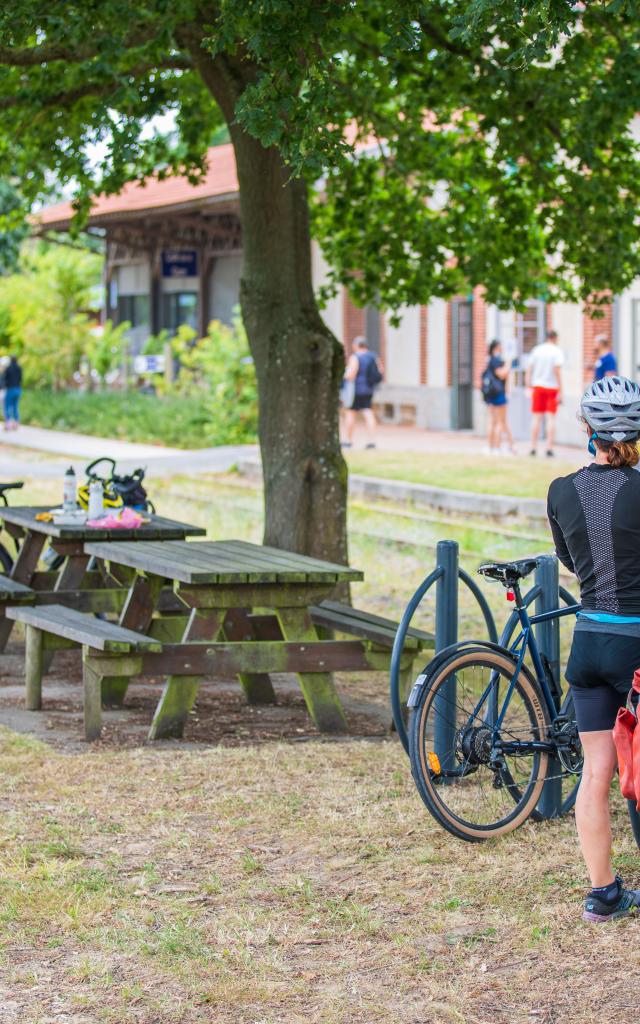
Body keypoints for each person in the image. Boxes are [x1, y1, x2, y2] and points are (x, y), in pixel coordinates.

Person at [547, 375, 640, 922]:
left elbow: (567, 559)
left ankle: (602, 893)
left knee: (596, 772)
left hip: (587, 644)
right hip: (634, 646)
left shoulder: (561, 490)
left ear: (588, 429)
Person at [526, 329, 564, 458]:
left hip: (538, 386)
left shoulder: (537, 350)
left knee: (536, 418)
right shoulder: (557, 351)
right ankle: (549, 447)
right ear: (555, 338)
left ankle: (533, 446)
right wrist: (561, 390)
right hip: (552, 388)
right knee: (550, 418)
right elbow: (557, 371)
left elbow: (529, 369)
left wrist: (528, 386)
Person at [342, 336, 384, 449]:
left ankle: (348, 441)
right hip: (369, 389)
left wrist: (343, 376)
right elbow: (380, 371)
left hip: (355, 391)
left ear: (356, 345)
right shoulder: (374, 357)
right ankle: (372, 441)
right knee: (368, 413)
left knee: (350, 413)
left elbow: (351, 375)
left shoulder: (355, 357)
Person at [482, 340, 516, 455]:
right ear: (496, 347)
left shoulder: (490, 360)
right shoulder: (496, 360)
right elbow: (502, 374)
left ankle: (490, 447)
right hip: (498, 394)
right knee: (500, 422)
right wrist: (508, 364)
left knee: (493, 421)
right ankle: (496, 447)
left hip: (491, 394)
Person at [3, 355, 22, 431]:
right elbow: (20, 379)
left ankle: (8, 424)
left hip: (10, 389)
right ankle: (16, 423)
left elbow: (5, 379)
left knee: (7, 406)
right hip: (18, 389)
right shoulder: (19, 368)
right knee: (15, 406)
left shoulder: (8, 368)